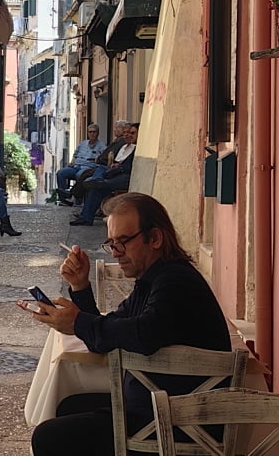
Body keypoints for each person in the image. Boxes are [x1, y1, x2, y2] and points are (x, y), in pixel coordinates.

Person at [20, 193, 231, 456]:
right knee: (68, 406)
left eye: (123, 241)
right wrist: (80, 287)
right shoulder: (153, 279)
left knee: (48, 437)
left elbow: (143, 334)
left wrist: (78, 322)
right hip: (155, 409)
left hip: (178, 425)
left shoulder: (176, 281)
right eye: (111, 243)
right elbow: (107, 335)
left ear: (155, 238)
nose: (116, 252)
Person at [70, 124, 138, 226]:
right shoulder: (125, 147)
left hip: (125, 177)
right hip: (114, 172)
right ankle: (86, 217)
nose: (128, 135)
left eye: (132, 133)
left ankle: (86, 214)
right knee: (97, 180)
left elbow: (128, 167)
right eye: (126, 132)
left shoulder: (137, 149)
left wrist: (117, 166)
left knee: (95, 184)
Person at [70, 120, 128, 201]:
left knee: (85, 175)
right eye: (115, 128)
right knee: (85, 174)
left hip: (104, 166)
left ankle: (75, 195)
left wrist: (104, 159)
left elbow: (113, 156)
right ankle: (73, 194)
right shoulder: (117, 140)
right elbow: (75, 154)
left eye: (117, 128)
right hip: (95, 165)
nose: (115, 130)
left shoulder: (121, 142)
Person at [55, 124, 106, 206]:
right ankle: (64, 198)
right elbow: (75, 155)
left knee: (79, 175)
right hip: (76, 166)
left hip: (88, 168)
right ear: (87, 133)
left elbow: (102, 160)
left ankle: (76, 197)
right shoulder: (82, 144)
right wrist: (72, 162)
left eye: (94, 132)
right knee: (61, 173)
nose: (92, 134)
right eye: (90, 132)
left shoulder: (102, 147)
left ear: (98, 133)